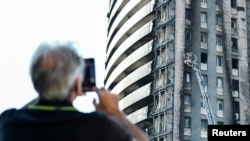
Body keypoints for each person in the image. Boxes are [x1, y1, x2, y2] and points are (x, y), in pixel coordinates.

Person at [0, 40, 149, 141]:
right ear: (78, 83)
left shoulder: (8, 123)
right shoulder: (98, 127)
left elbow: (34, 104)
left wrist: (49, 87)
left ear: (34, 78)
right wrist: (116, 114)